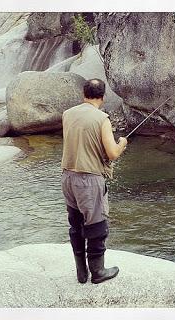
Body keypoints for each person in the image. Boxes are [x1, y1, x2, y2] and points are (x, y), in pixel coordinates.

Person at [61, 79, 128, 284]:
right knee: (97, 226)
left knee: (76, 224)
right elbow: (112, 153)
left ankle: (82, 273)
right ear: (103, 96)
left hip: (67, 178)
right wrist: (122, 144)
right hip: (88, 180)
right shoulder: (102, 119)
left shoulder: (67, 114)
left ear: (84, 94)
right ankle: (98, 272)